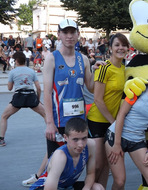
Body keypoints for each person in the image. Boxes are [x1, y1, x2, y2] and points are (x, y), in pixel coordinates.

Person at [105, 61, 148, 190]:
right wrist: (117, 144)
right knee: (120, 181)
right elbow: (121, 115)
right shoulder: (140, 88)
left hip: (137, 140)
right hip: (116, 136)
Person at [43, 18, 95, 158]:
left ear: (78, 34)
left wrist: (97, 71)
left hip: (79, 121)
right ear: (59, 34)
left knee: (76, 163)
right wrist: (49, 123)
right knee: (56, 163)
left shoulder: (83, 59)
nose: (69, 36)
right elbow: (47, 93)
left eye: (72, 32)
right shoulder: (51, 58)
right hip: (59, 121)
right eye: (65, 32)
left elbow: (90, 87)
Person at [86, 33, 129, 188]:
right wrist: (114, 123)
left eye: (123, 45)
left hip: (113, 123)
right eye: (117, 45)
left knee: (106, 165)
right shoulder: (104, 68)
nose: (120, 48)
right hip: (98, 121)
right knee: (97, 165)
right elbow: (97, 99)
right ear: (110, 48)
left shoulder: (125, 69)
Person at [29, 118, 104, 190]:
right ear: (65, 137)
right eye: (75, 139)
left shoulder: (90, 145)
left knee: (97, 187)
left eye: (84, 138)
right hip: (45, 187)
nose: (80, 144)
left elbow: (90, 173)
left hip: (67, 186)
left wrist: (86, 188)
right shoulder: (60, 156)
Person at [0, 51, 46, 146]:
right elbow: (38, 88)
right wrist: (37, 100)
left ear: (16, 61)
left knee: (4, 116)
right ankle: (54, 135)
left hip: (19, 96)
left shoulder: (12, 72)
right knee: (46, 115)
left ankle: (1, 139)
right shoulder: (31, 71)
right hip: (31, 96)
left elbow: (9, 88)